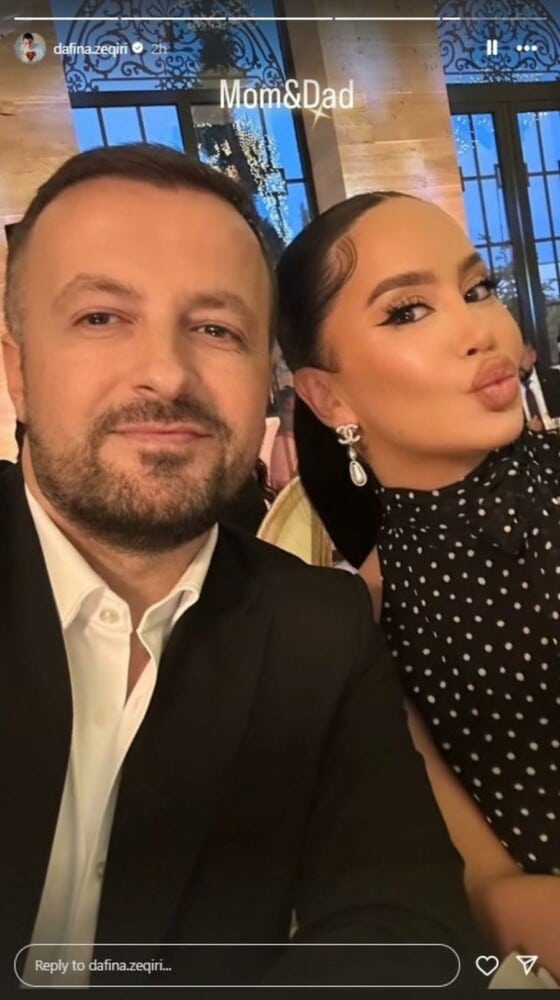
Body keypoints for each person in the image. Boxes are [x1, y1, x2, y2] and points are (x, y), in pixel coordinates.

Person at [0, 146, 480, 992]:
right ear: (17, 367)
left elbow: (407, 930)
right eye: (102, 317)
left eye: (217, 329)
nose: (165, 374)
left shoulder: (318, 633)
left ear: (268, 376)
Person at [276, 190, 560, 981]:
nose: (482, 329)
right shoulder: (358, 623)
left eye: (479, 288)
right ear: (329, 396)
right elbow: (491, 891)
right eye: (408, 311)